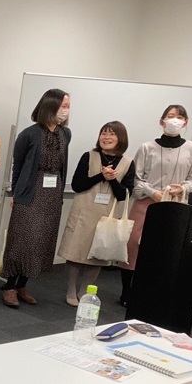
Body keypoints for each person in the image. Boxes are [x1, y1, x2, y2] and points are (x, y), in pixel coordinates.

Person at [1, 88, 71, 308]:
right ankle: (9, 286)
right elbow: (18, 165)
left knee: (40, 241)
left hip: (53, 194)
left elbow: (62, 166)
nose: (66, 110)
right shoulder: (29, 134)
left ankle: (23, 284)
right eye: (63, 106)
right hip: (30, 192)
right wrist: (16, 193)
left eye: (68, 106)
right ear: (50, 106)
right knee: (22, 240)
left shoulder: (66, 134)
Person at [118, 105, 192, 306]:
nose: (175, 120)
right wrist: (153, 192)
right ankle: (127, 293)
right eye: (171, 116)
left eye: (180, 117)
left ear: (185, 122)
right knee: (133, 246)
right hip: (146, 203)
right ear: (162, 121)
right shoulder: (147, 147)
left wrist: (182, 188)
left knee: (167, 248)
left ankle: (156, 293)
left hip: (176, 206)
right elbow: (136, 177)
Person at [58, 121, 135, 306]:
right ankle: (71, 290)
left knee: (98, 255)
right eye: (103, 133)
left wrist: (113, 179)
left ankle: (85, 291)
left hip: (106, 215)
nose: (106, 137)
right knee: (75, 253)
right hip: (83, 211)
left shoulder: (127, 163)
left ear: (121, 138)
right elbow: (77, 185)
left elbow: (124, 194)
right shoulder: (89, 156)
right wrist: (101, 175)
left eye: (112, 134)